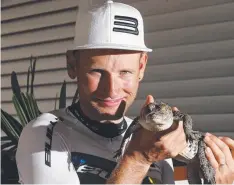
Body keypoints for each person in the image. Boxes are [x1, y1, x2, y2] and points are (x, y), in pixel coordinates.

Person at [16, 0, 234, 184]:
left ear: (141, 67)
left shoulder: (153, 139)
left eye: (125, 72)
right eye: (97, 72)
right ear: (72, 65)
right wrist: (138, 158)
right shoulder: (44, 134)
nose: (111, 89)